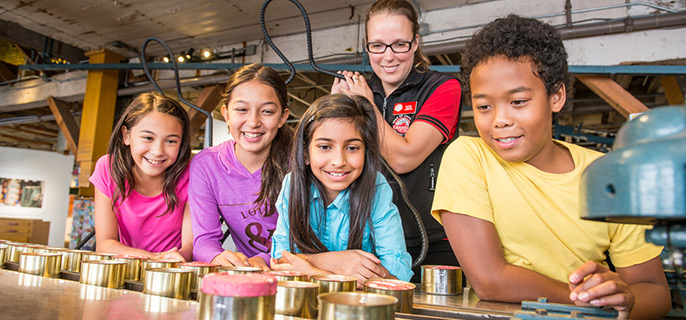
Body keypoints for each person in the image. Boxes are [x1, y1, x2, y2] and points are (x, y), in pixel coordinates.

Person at [431, 15, 670, 319]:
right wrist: (591, 301)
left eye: (518, 101)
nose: (499, 120)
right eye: (484, 106)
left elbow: (653, 290)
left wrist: (625, 300)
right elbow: (490, 280)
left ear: (556, 96)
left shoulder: (611, 177)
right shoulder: (469, 157)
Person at [331, 0, 462, 281]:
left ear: (415, 43)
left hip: (434, 241)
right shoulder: (361, 91)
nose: (388, 56)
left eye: (399, 44)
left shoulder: (441, 88)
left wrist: (366, 105)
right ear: (366, 45)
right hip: (370, 241)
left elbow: (405, 158)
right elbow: (334, 163)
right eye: (377, 45)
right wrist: (335, 109)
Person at [270, 94, 413, 286]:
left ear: (366, 152)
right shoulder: (293, 184)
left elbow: (397, 275)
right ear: (306, 153)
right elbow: (280, 262)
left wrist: (309, 266)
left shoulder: (376, 187)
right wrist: (337, 261)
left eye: (352, 148)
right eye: (324, 146)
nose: (339, 161)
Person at [189, 64, 292, 270]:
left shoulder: (300, 161)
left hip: (296, 271)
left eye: (267, 111)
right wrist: (217, 257)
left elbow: (306, 238)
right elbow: (204, 240)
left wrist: (263, 258)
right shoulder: (206, 165)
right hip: (250, 274)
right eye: (242, 109)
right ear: (226, 114)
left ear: (283, 117)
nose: (253, 122)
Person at [91, 92, 192, 261]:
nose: (158, 151)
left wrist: (173, 260)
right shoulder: (107, 168)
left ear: (181, 143)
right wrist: (154, 258)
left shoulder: (191, 174)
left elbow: (190, 245)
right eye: (147, 138)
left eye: (171, 141)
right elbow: (105, 244)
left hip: (174, 272)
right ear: (126, 135)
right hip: (124, 270)